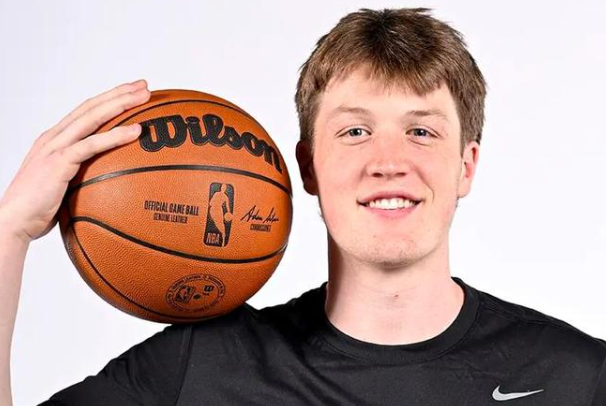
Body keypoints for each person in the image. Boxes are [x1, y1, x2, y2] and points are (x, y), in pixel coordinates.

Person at [1, 7, 604, 406]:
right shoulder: (203, 364)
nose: (388, 162)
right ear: (308, 167)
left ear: (466, 165)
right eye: (355, 131)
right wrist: (9, 232)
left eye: (421, 131)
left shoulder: (576, 377)